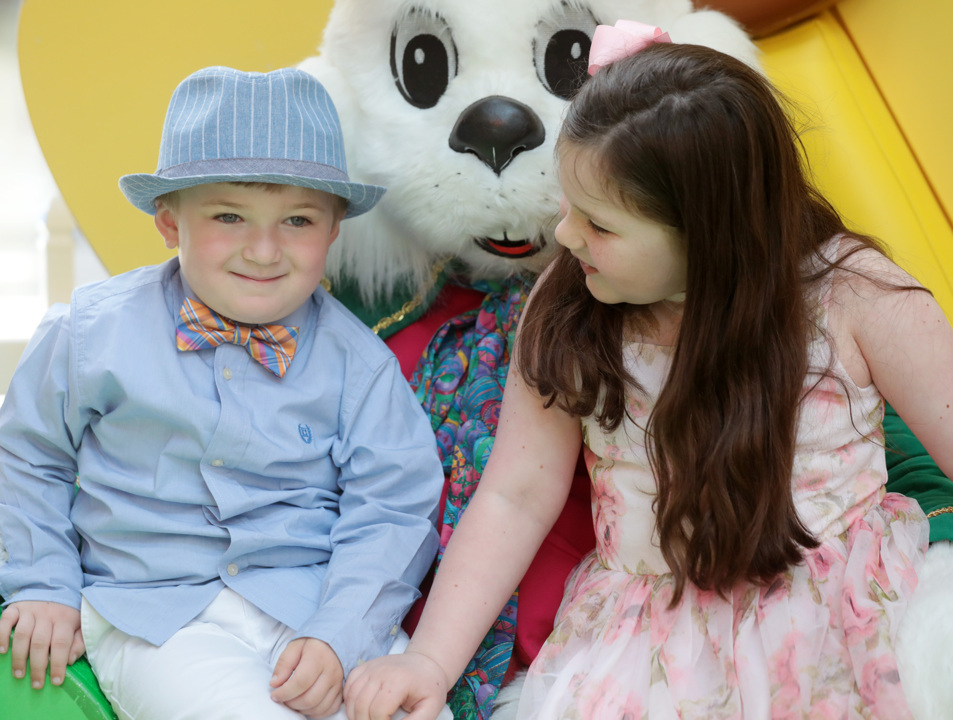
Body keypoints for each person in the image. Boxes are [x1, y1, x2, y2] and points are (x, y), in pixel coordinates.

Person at [342, 23, 953, 720]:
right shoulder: (571, 299)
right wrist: (427, 659)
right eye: (565, 203)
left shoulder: (853, 297)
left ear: (709, 232)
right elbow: (515, 494)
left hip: (836, 614)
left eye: (598, 224)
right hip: (651, 635)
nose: (566, 236)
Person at [0, 66, 445, 720]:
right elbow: (28, 456)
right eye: (229, 215)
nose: (263, 250)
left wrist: (340, 633)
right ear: (169, 221)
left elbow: (393, 507)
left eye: (296, 219)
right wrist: (42, 584)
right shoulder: (90, 333)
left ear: (333, 231)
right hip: (156, 615)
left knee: (412, 711)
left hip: (309, 609)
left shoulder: (359, 364)